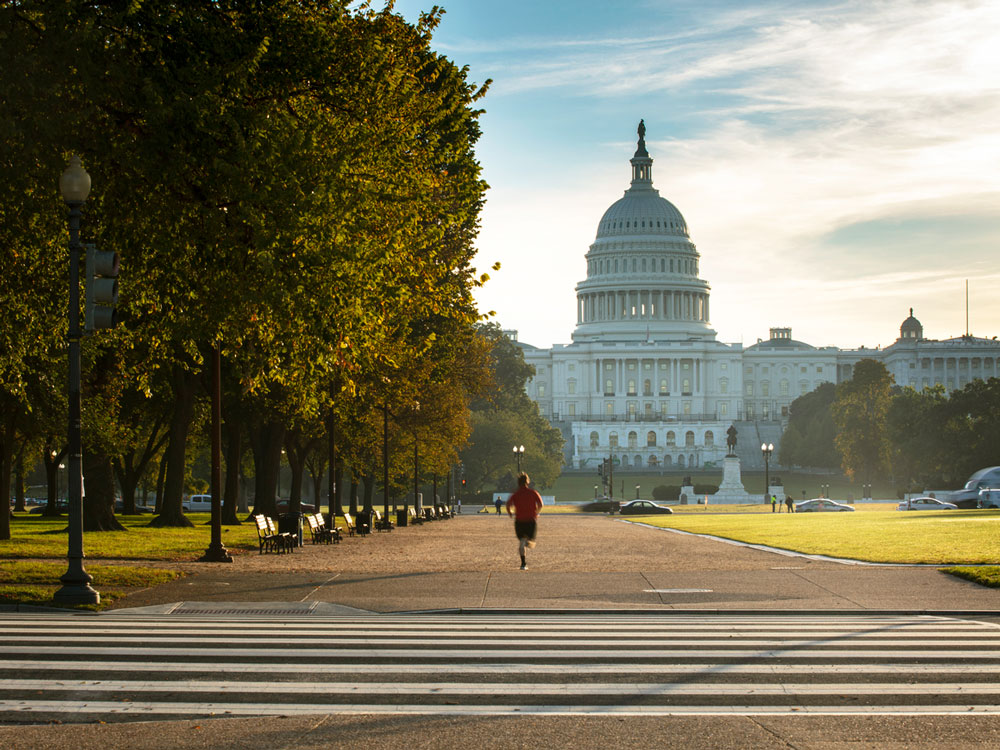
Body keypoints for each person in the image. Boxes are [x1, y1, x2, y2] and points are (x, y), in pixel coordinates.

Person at [506, 473, 543, 570]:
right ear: (528, 481)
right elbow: (540, 504)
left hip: (519, 521)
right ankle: (526, 542)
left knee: (522, 541)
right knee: (530, 542)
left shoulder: (515, 494)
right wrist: (536, 513)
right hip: (531, 520)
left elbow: (508, 505)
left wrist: (510, 513)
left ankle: (523, 564)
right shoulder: (533, 493)